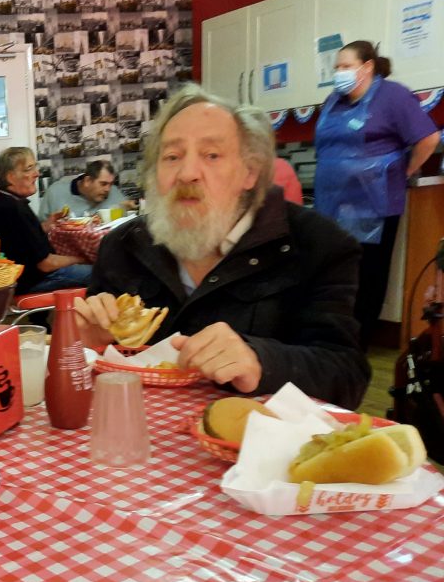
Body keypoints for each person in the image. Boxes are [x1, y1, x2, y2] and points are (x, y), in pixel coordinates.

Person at [74, 84, 371, 410]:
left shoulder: (319, 245)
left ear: (249, 173)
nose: (187, 173)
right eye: (172, 157)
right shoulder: (123, 245)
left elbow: (347, 376)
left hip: (253, 436)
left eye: (211, 155)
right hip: (137, 429)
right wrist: (84, 343)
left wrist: (261, 361)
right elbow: (84, 361)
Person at [314, 40, 439, 348]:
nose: (339, 73)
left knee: (367, 276)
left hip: (374, 205)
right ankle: (331, 339)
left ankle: (358, 344)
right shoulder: (333, 101)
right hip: (333, 204)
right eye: (337, 67)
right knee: (334, 274)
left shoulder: (393, 96)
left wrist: (406, 170)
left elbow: (429, 138)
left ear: (367, 67)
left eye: (346, 66)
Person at [0, 147, 93, 295]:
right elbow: (46, 264)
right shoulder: (13, 209)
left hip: (14, 279)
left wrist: (46, 225)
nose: (37, 174)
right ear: (11, 177)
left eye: (35, 167)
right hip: (30, 281)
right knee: (102, 271)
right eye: (29, 169)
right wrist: (81, 258)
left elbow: (19, 239)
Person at [38, 160, 131, 226]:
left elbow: (127, 220)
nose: (108, 189)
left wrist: (128, 208)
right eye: (103, 184)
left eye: (111, 184)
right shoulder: (55, 191)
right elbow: (41, 229)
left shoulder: (113, 191)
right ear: (87, 181)